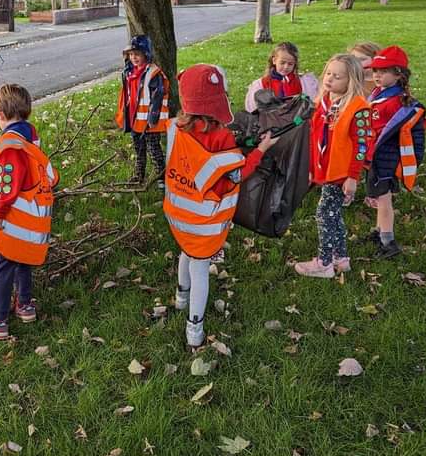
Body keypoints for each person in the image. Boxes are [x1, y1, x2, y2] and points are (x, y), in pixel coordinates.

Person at [163, 65, 277, 347]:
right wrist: (261, 150)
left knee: (185, 253)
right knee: (200, 268)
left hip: (177, 213)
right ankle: (194, 331)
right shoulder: (222, 137)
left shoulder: (174, 127)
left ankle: (180, 298)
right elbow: (237, 173)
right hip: (205, 221)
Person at [0, 84, 59, 341]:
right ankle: (25, 305)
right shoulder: (30, 136)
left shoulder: (10, 145)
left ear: (0, 114)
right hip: (33, 216)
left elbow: (6, 187)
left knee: (4, 265)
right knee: (23, 260)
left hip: (14, 218)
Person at [294, 54, 371, 279]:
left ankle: (324, 263)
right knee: (333, 214)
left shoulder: (358, 108)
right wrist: (311, 168)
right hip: (326, 169)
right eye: (328, 73)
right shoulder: (323, 102)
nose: (329, 79)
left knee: (324, 214)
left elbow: (362, 145)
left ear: (351, 81)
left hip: (341, 173)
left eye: (337, 77)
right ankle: (341, 258)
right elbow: (315, 137)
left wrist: (353, 177)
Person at [365, 46, 426, 258]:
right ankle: (378, 231)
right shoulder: (378, 94)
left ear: (399, 74)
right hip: (375, 156)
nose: (377, 75)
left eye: (384, 71)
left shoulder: (397, 102)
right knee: (378, 196)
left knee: (383, 200)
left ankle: (388, 242)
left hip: (386, 158)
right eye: (375, 70)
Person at [115, 35, 169, 188]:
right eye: (131, 54)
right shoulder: (129, 73)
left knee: (154, 149)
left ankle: (162, 178)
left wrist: (153, 118)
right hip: (135, 119)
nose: (134, 57)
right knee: (139, 149)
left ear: (146, 54)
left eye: (137, 54)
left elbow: (157, 96)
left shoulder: (152, 73)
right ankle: (139, 175)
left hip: (150, 121)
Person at [244, 41, 319, 112]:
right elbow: (253, 110)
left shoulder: (304, 82)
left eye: (290, 64)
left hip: (297, 119)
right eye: (282, 63)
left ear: (295, 64)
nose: (286, 67)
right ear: (274, 60)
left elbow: (312, 104)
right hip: (270, 120)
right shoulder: (261, 84)